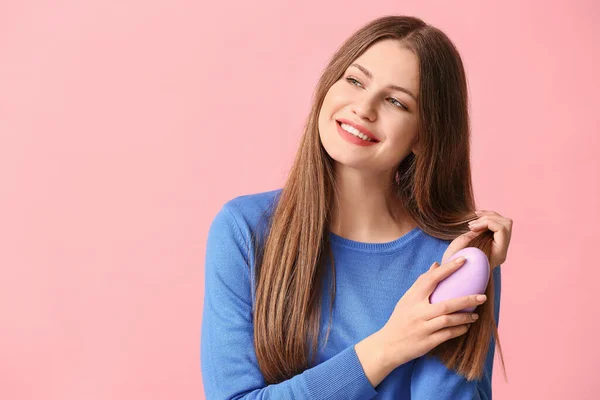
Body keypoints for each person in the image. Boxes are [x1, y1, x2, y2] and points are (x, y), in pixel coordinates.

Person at [201, 15, 513, 399]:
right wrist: (388, 347)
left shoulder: (453, 257)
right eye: (354, 80)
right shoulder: (245, 230)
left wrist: (463, 278)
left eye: (396, 101)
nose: (364, 108)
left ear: (424, 134)